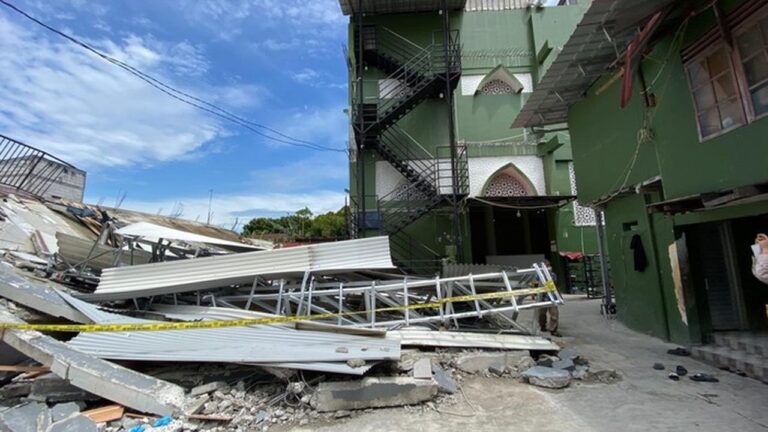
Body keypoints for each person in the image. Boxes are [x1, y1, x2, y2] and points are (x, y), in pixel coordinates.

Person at [538, 261, 561, 337]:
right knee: (542, 314)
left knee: (554, 314)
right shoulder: (539, 274)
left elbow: (553, 282)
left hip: (552, 297)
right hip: (542, 297)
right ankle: (542, 326)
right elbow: (537, 280)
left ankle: (553, 330)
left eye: (548, 266)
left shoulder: (553, 275)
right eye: (545, 266)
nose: (547, 267)